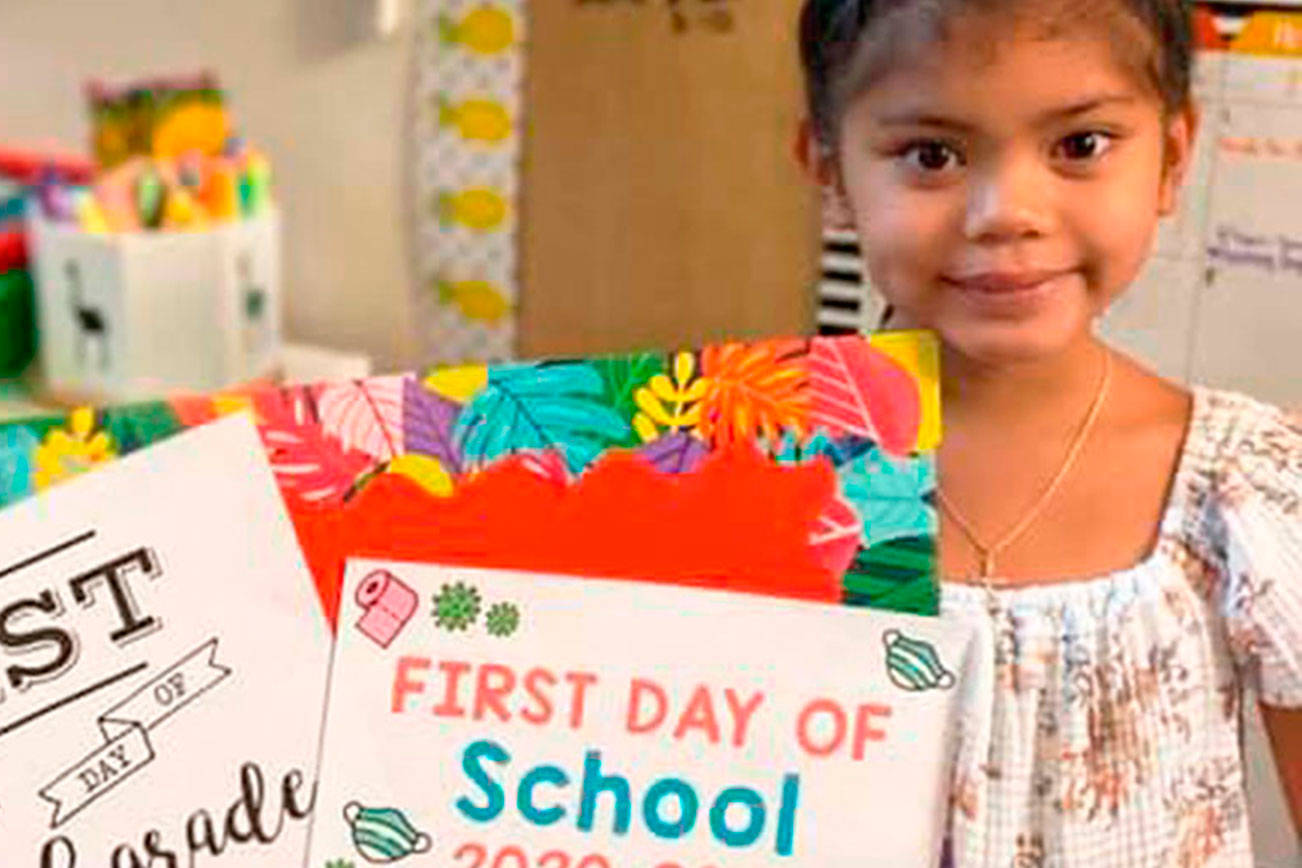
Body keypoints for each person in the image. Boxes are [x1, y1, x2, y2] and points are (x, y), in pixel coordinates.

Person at [796, 0, 1301, 863]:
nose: (1007, 213)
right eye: (932, 155)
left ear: (1173, 158)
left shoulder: (1249, 485)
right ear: (831, 172)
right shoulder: (707, 475)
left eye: (1080, 145)